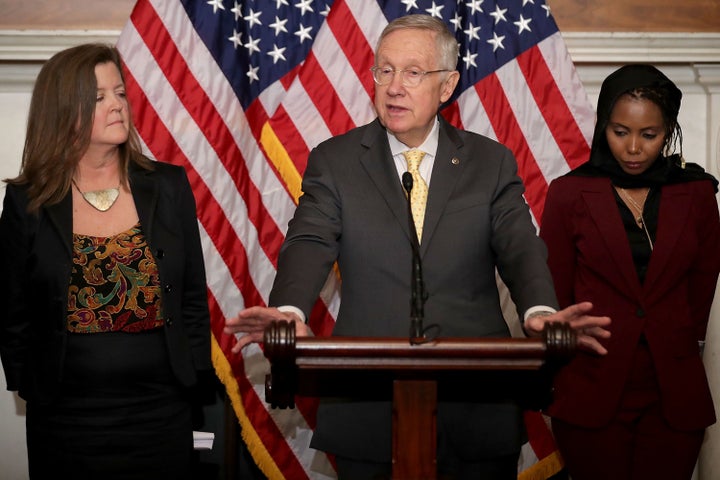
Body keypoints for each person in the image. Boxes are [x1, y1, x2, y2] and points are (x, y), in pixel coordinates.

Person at [225, 14, 610, 480]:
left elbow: (519, 246)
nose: (393, 87)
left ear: (447, 86)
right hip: (367, 405)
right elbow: (309, 240)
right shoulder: (336, 161)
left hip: (476, 406)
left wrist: (539, 312)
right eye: (384, 71)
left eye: (412, 73)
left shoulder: (489, 162)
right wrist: (290, 309)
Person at [0, 44, 212, 479]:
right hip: (65, 419)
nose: (117, 105)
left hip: (161, 412)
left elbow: (191, 297)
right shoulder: (27, 201)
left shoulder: (168, 186)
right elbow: (11, 309)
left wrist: (196, 380)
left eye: (119, 93)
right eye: (98, 98)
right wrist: (30, 382)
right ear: (63, 109)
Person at [539, 64, 720, 480]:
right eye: (620, 132)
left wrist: (677, 338)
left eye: (649, 135)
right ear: (604, 126)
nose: (633, 147)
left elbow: (702, 284)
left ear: (669, 131)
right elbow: (555, 292)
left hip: (673, 394)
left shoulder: (696, 193)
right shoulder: (569, 193)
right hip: (590, 387)